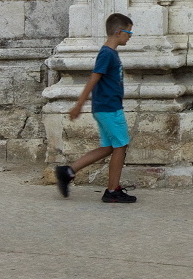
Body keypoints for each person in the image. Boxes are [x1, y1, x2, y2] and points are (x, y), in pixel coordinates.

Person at [55, 12, 136, 203]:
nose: (129, 37)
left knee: (108, 147)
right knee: (121, 145)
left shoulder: (109, 53)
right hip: (109, 108)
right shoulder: (107, 53)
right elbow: (94, 78)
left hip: (106, 107)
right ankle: (112, 190)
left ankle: (67, 171)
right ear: (118, 32)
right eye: (128, 33)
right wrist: (79, 104)